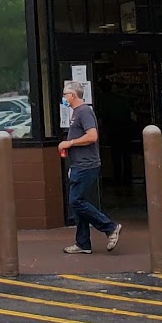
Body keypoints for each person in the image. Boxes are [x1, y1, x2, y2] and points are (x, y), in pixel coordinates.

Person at [58, 81, 122, 254]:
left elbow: (92, 136)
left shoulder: (84, 111)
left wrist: (70, 143)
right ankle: (83, 243)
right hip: (79, 164)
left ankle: (110, 227)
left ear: (72, 95)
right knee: (78, 203)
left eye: (65, 94)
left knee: (75, 201)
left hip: (86, 165)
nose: (63, 98)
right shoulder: (77, 113)